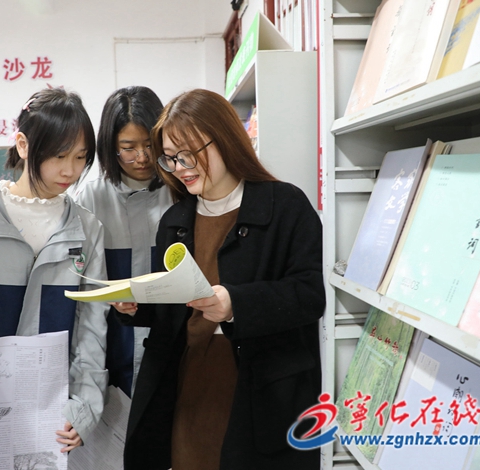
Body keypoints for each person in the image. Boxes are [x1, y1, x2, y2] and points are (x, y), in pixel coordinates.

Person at [113, 89, 325, 469]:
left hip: (261, 388)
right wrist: (136, 305)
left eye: (188, 154)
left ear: (225, 139)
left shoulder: (285, 206)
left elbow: (309, 295)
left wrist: (235, 305)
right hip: (189, 381)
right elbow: (177, 306)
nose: (180, 167)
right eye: (171, 157)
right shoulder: (175, 221)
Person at [0, 88, 108, 452]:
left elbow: (91, 329)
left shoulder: (87, 229)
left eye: (80, 157)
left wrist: (84, 408)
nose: (70, 170)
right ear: (23, 145)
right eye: (59, 155)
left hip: (53, 418)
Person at [75, 86, 172, 397]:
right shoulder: (90, 198)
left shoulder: (180, 191)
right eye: (128, 148)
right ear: (110, 146)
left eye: (150, 145)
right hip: (111, 350)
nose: (142, 158)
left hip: (170, 348)